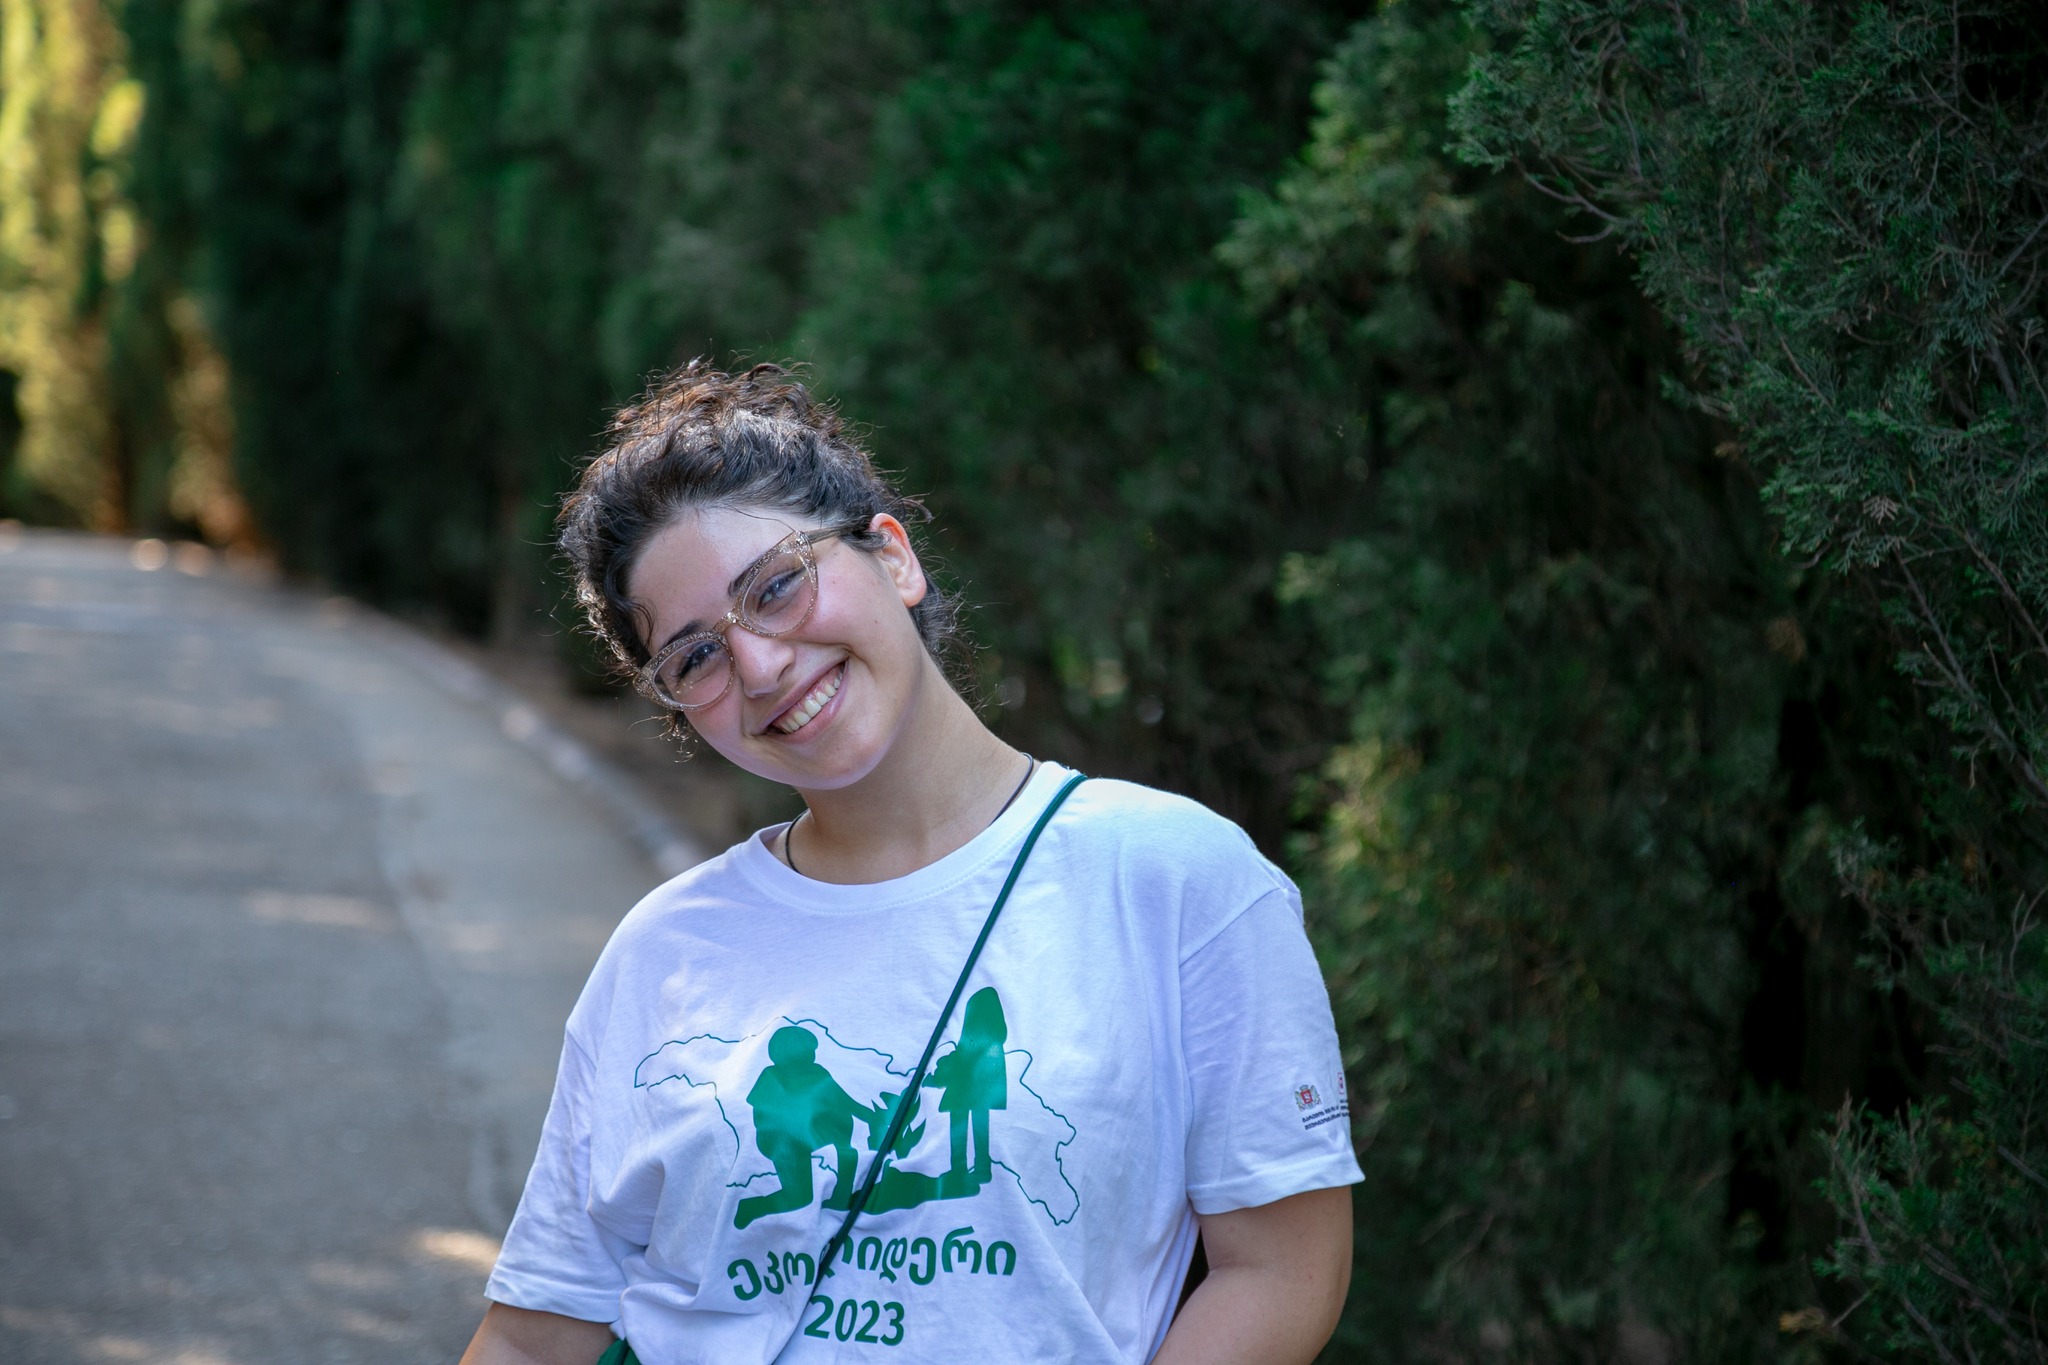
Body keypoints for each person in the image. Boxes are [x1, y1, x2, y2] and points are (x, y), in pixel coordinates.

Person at [459, 362, 1361, 1365]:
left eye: (776, 586)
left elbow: (1283, 1271)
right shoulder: (662, 949)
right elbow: (538, 1333)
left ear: (891, 557)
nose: (759, 664)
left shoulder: (1176, 879)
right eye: (695, 656)